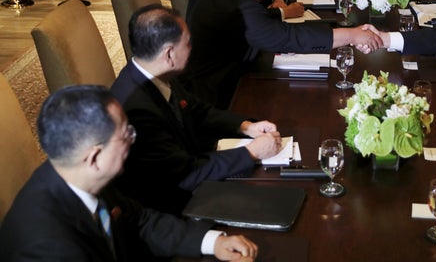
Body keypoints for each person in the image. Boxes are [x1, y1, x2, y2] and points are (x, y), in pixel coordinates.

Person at [0, 85, 258, 262]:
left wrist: (212, 242)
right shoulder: (49, 248)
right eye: (126, 135)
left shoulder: (75, 173)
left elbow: (140, 220)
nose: (132, 142)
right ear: (94, 157)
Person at [111, 4, 282, 215]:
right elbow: (186, 174)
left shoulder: (154, 71)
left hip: (192, 168)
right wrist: (252, 152)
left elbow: (197, 110)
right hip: (171, 206)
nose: (193, 48)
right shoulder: (137, 110)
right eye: (188, 43)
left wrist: (246, 127)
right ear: (169, 54)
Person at [182, 0, 382, 109]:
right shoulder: (236, 5)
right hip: (218, 97)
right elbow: (288, 37)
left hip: (230, 72)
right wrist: (351, 35)